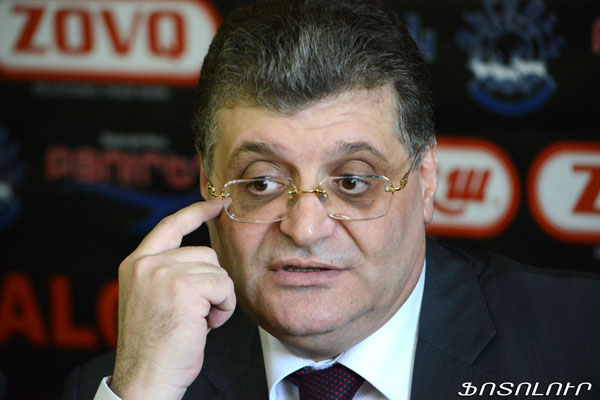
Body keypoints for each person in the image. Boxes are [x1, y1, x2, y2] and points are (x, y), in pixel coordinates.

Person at [63, 0, 600, 399]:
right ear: (209, 184)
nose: (305, 227)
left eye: (352, 182)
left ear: (426, 179)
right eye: (262, 183)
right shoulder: (127, 384)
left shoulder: (582, 337)